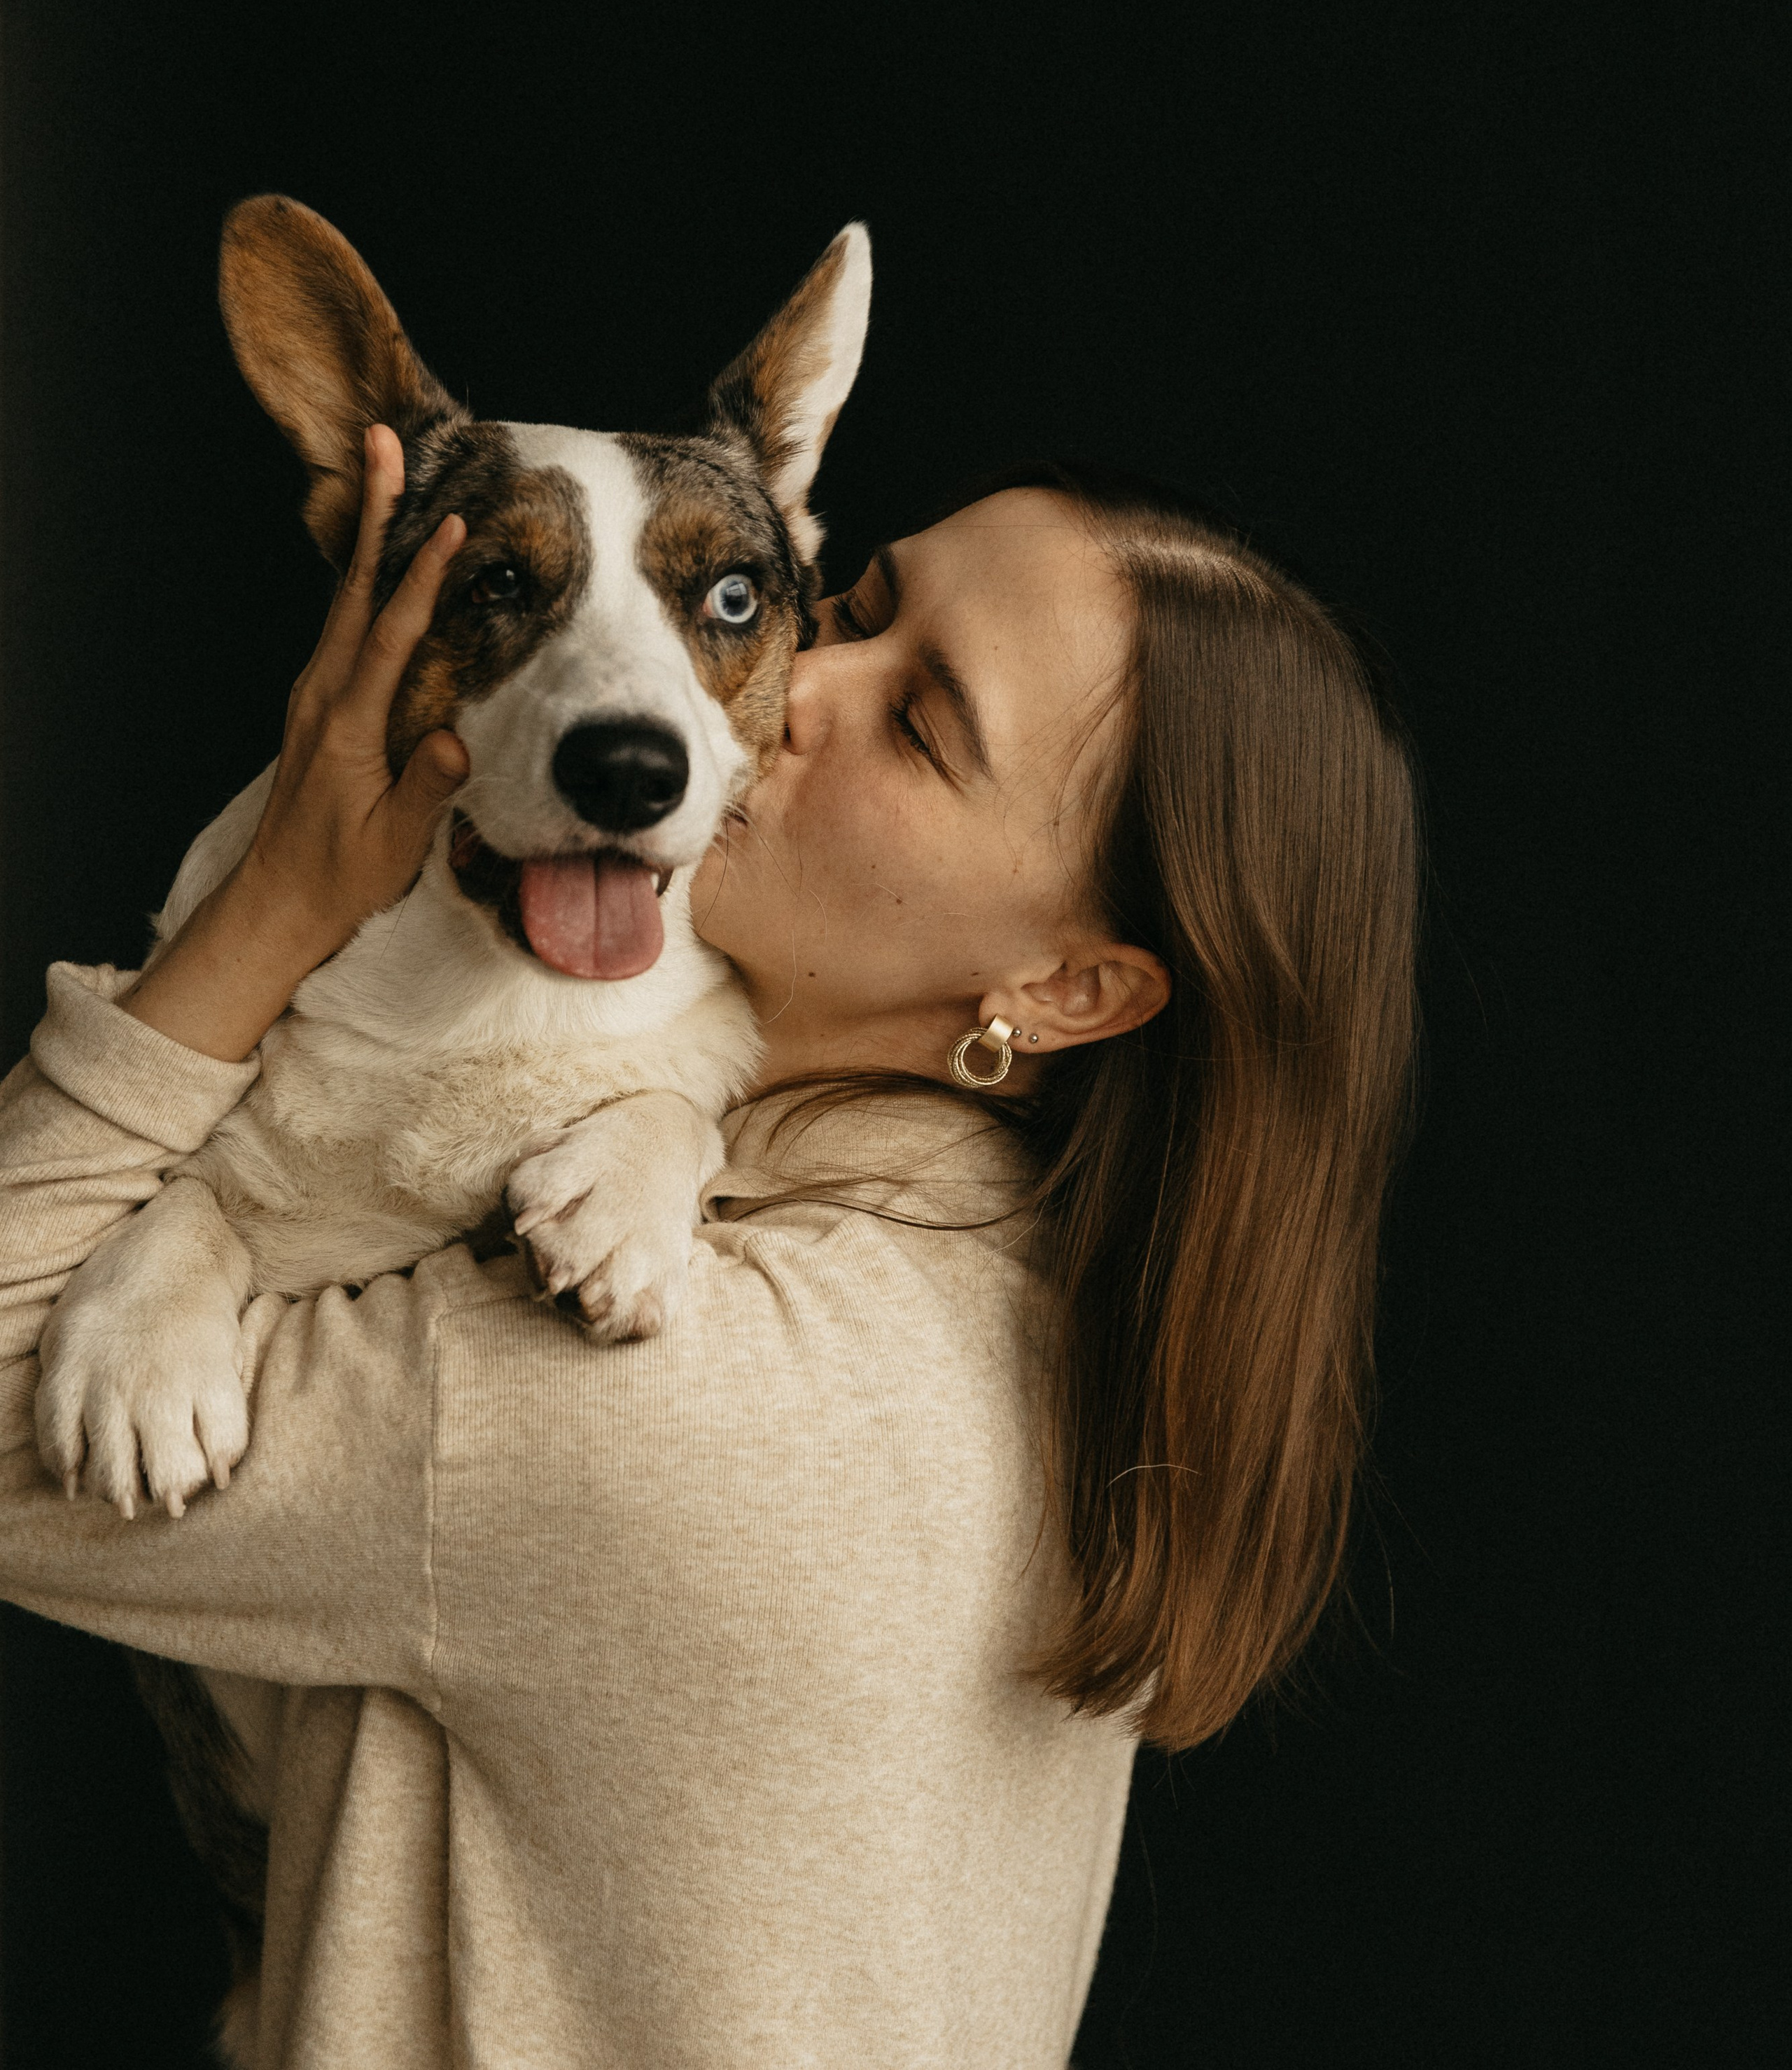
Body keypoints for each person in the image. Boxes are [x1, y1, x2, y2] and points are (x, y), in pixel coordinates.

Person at [0, 440, 1420, 2070]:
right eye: (851, 609)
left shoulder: (716, 1389)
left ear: (1063, 989)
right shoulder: (971, 1269)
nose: (783, 688)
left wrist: (269, 908)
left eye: (919, 725)